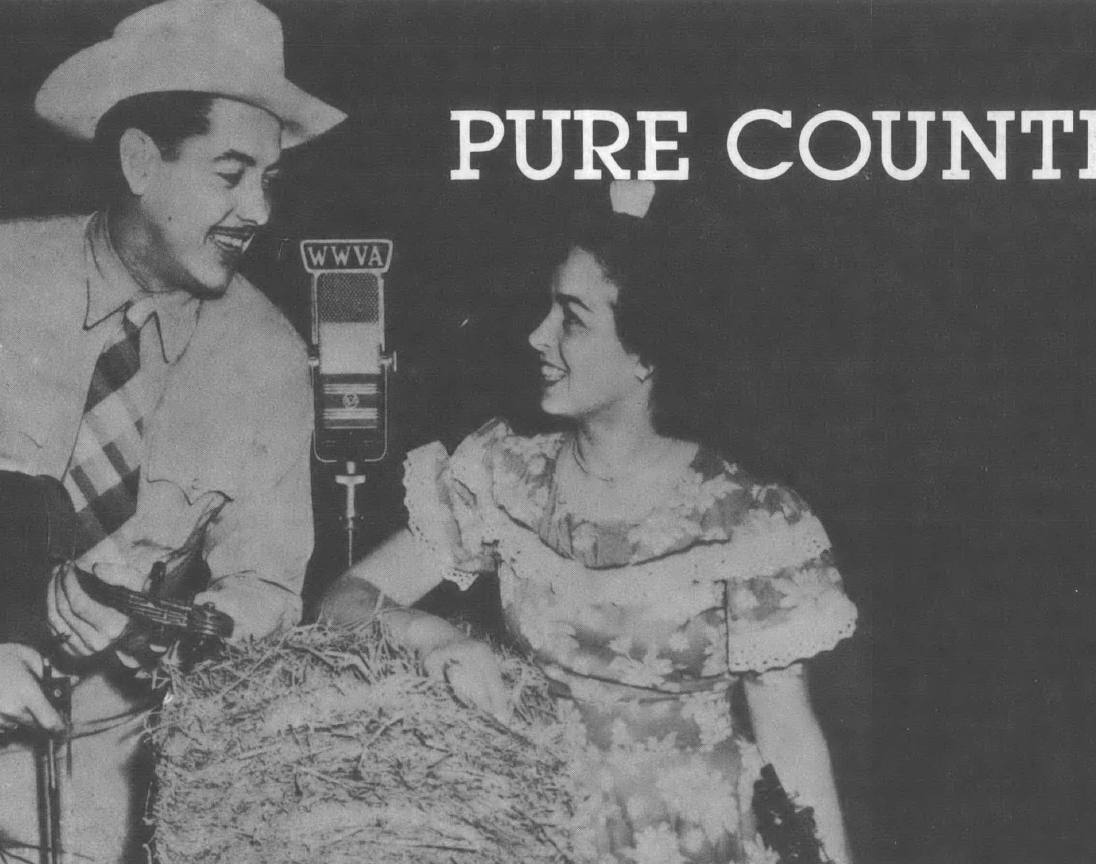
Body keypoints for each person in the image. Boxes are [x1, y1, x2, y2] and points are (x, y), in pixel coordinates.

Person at [0, 1, 344, 861]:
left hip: (105, 767)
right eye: (231, 173)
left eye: (270, 179)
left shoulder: (269, 358)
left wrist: (153, 627)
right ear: (140, 161)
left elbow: (268, 594)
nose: (258, 210)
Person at [321, 179, 858, 864]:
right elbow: (342, 600)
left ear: (646, 353)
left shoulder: (750, 523)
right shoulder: (504, 477)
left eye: (571, 318)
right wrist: (432, 640)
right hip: (537, 829)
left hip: (705, 844)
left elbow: (791, 741)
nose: (536, 335)